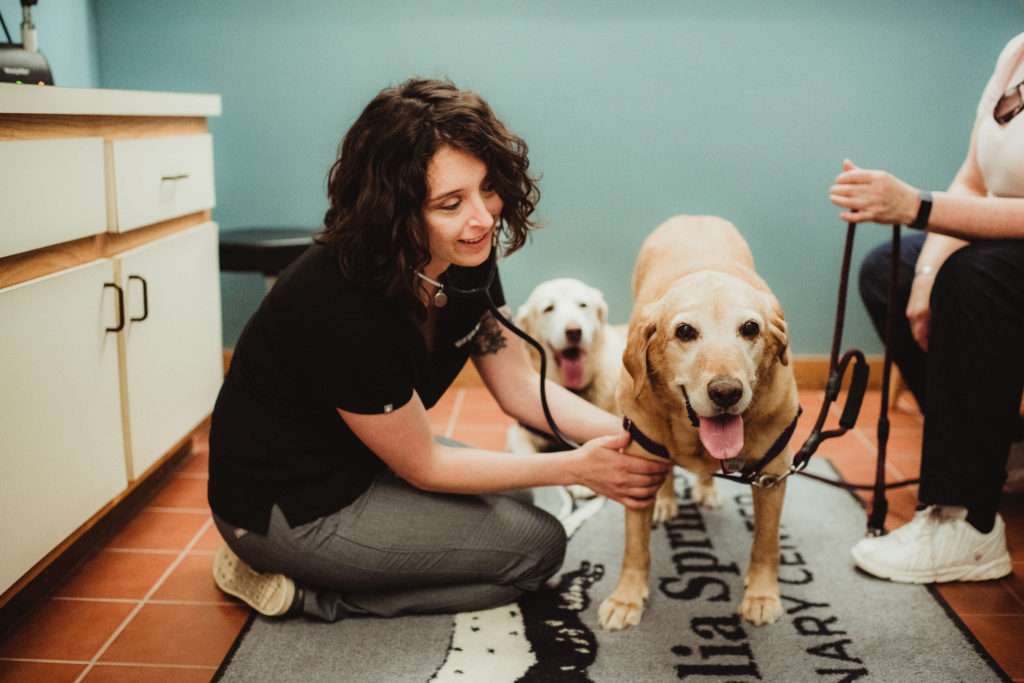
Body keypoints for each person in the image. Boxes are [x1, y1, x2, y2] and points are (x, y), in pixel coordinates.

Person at [207, 77, 671, 620]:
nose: (483, 218)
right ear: (394, 212)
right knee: (536, 550)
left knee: (518, 500)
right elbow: (426, 465)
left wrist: (640, 436)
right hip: (287, 506)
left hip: (363, 457)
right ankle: (309, 591)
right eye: (451, 202)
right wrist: (577, 468)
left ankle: (323, 570)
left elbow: (520, 387)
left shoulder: (462, 256)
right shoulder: (338, 302)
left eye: (487, 188)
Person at [828, 32, 1024, 584]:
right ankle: (1006, 446)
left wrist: (916, 207)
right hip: (1003, 246)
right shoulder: (1015, 51)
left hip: (1006, 258)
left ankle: (967, 523)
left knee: (977, 277)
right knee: (887, 272)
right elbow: (973, 180)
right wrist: (925, 275)